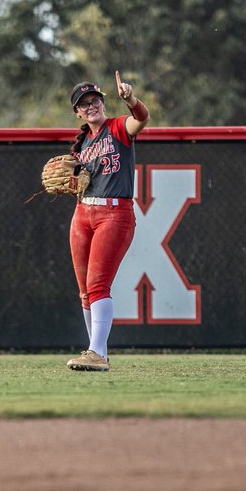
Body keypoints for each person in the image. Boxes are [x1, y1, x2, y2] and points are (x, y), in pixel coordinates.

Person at [65, 70, 150, 372]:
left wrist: (130, 99)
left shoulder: (116, 128)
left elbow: (140, 119)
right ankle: (96, 351)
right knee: (85, 290)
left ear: (103, 102)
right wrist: (72, 182)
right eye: (84, 104)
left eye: (95, 100)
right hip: (82, 214)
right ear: (77, 112)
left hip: (114, 214)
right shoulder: (81, 144)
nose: (92, 106)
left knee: (98, 285)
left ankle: (96, 353)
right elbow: (78, 185)